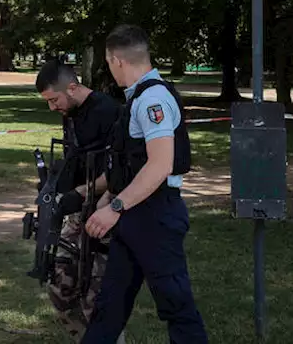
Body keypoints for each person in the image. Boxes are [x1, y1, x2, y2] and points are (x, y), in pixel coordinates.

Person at [82, 25, 207, 343]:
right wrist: (97, 195)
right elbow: (131, 164)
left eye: (108, 63)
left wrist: (115, 207)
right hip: (135, 215)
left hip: (155, 216)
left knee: (176, 305)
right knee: (109, 306)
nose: (110, 70)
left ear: (116, 59)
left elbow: (160, 165)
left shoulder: (153, 99)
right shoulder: (137, 97)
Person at [35, 60, 120, 340]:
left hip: (105, 211)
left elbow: (119, 169)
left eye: (54, 99)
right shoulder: (69, 112)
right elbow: (75, 158)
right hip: (77, 211)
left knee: (97, 299)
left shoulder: (108, 112)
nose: (52, 107)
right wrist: (55, 186)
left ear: (72, 87)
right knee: (60, 288)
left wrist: (82, 193)